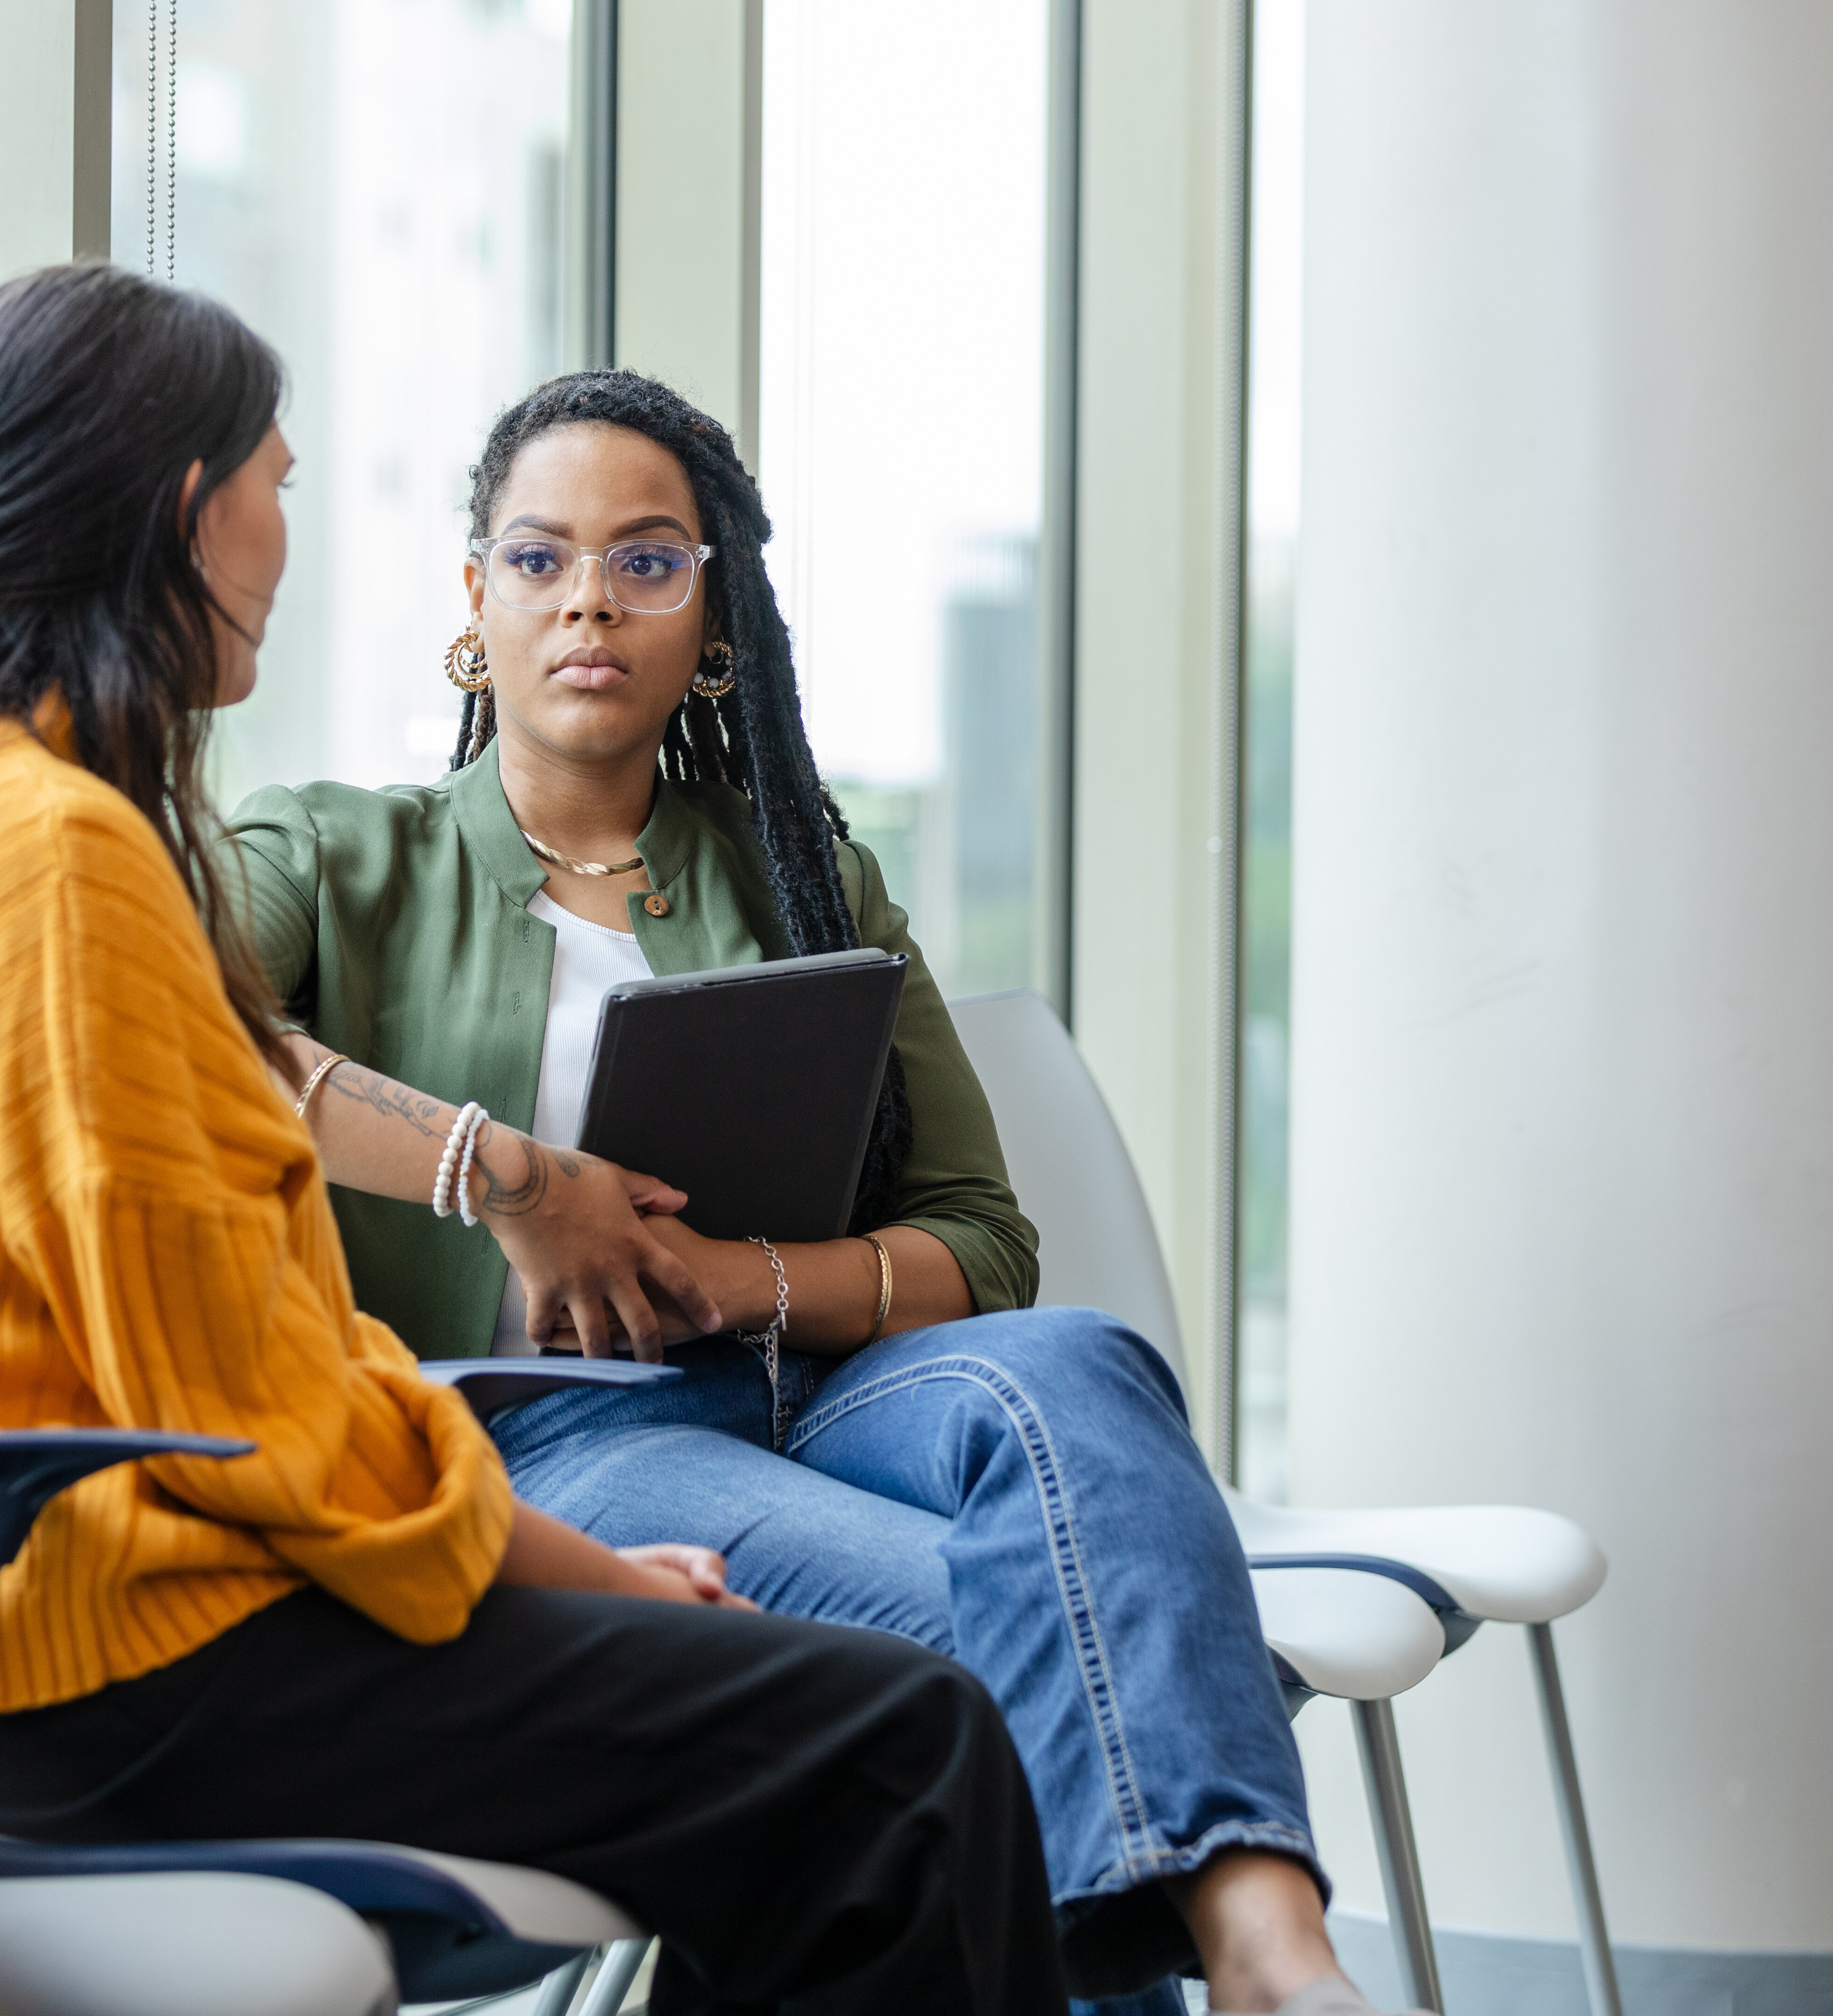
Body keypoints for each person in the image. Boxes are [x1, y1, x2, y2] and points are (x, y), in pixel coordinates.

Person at [0, 265, 1068, 2016]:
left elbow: (246, 1355)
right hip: (90, 1672)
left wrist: (586, 1580)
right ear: (181, 511)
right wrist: (582, 1573)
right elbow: (247, 1413)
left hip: (35, 1644)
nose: (288, 529)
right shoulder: (55, 856)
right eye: (274, 479)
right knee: (897, 1744)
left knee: (845, 1741)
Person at [230, 370, 1415, 2016]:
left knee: (1082, 1361)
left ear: (713, 614)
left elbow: (983, 1239)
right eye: (537, 557)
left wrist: (736, 1280)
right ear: (473, 603)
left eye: (649, 561)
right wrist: (497, 1175)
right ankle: (1241, 1967)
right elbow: (169, 1020)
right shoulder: (332, 852)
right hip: (560, 1429)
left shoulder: (805, 875)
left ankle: (1272, 1948)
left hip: (829, 1387)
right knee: (1017, 1654)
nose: (589, 600)